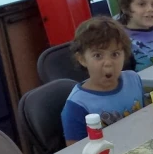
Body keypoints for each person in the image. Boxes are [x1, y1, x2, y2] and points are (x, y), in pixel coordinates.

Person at [61, 17, 145, 146]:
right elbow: (75, 152)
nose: (108, 63)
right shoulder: (77, 105)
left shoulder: (133, 80)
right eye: (98, 55)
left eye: (115, 54)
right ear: (82, 59)